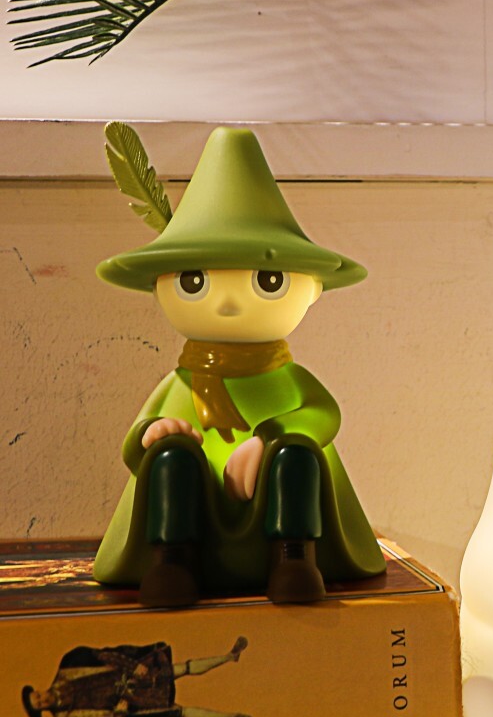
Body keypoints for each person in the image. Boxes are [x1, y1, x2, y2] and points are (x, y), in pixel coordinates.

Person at [92, 127, 385, 606]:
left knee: (297, 452)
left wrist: (267, 439)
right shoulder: (182, 383)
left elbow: (323, 415)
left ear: (312, 289)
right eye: (194, 281)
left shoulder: (287, 379)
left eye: (268, 280)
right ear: (157, 288)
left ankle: (294, 555)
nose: (228, 304)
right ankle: (172, 559)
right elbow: (133, 450)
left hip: (273, 503)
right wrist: (154, 433)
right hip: (198, 515)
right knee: (171, 457)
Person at [22, 637, 252, 717]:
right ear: (41, 710)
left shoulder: (70, 665)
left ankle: (229, 657)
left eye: (38, 696)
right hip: (135, 708)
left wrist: (133, 666)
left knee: (182, 668)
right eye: (39, 704)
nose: (42, 700)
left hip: (133, 676)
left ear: (38, 690)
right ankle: (232, 716)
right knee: (180, 712)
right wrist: (119, 715)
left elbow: (104, 655)